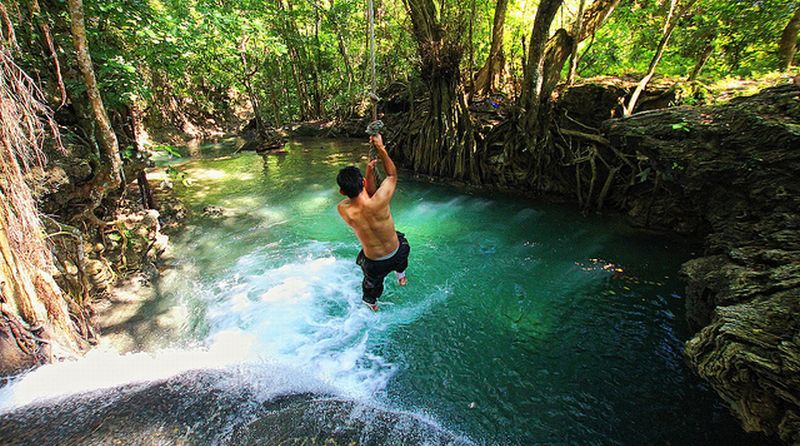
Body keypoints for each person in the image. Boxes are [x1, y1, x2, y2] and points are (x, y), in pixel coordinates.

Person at [336, 133, 410, 312]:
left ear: (342, 192)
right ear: (362, 181)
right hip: (397, 252)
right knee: (402, 242)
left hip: (375, 263)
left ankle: (372, 305)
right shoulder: (380, 201)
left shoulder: (344, 209)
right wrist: (381, 148)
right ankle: (401, 275)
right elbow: (391, 175)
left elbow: (362, 197)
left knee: (371, 286)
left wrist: (368, 173)